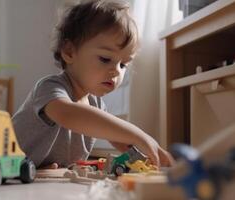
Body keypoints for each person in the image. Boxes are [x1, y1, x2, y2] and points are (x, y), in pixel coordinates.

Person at [12, 0, 174, 169]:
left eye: (123, 64)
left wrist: (149, 158)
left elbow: (121, 140)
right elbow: (69, 115)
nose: (117, 71)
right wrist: (139, 135)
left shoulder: (97, 106)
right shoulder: (49, 88)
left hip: (39, 176)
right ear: (69, 52)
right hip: (7, 170)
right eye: (105, 59)